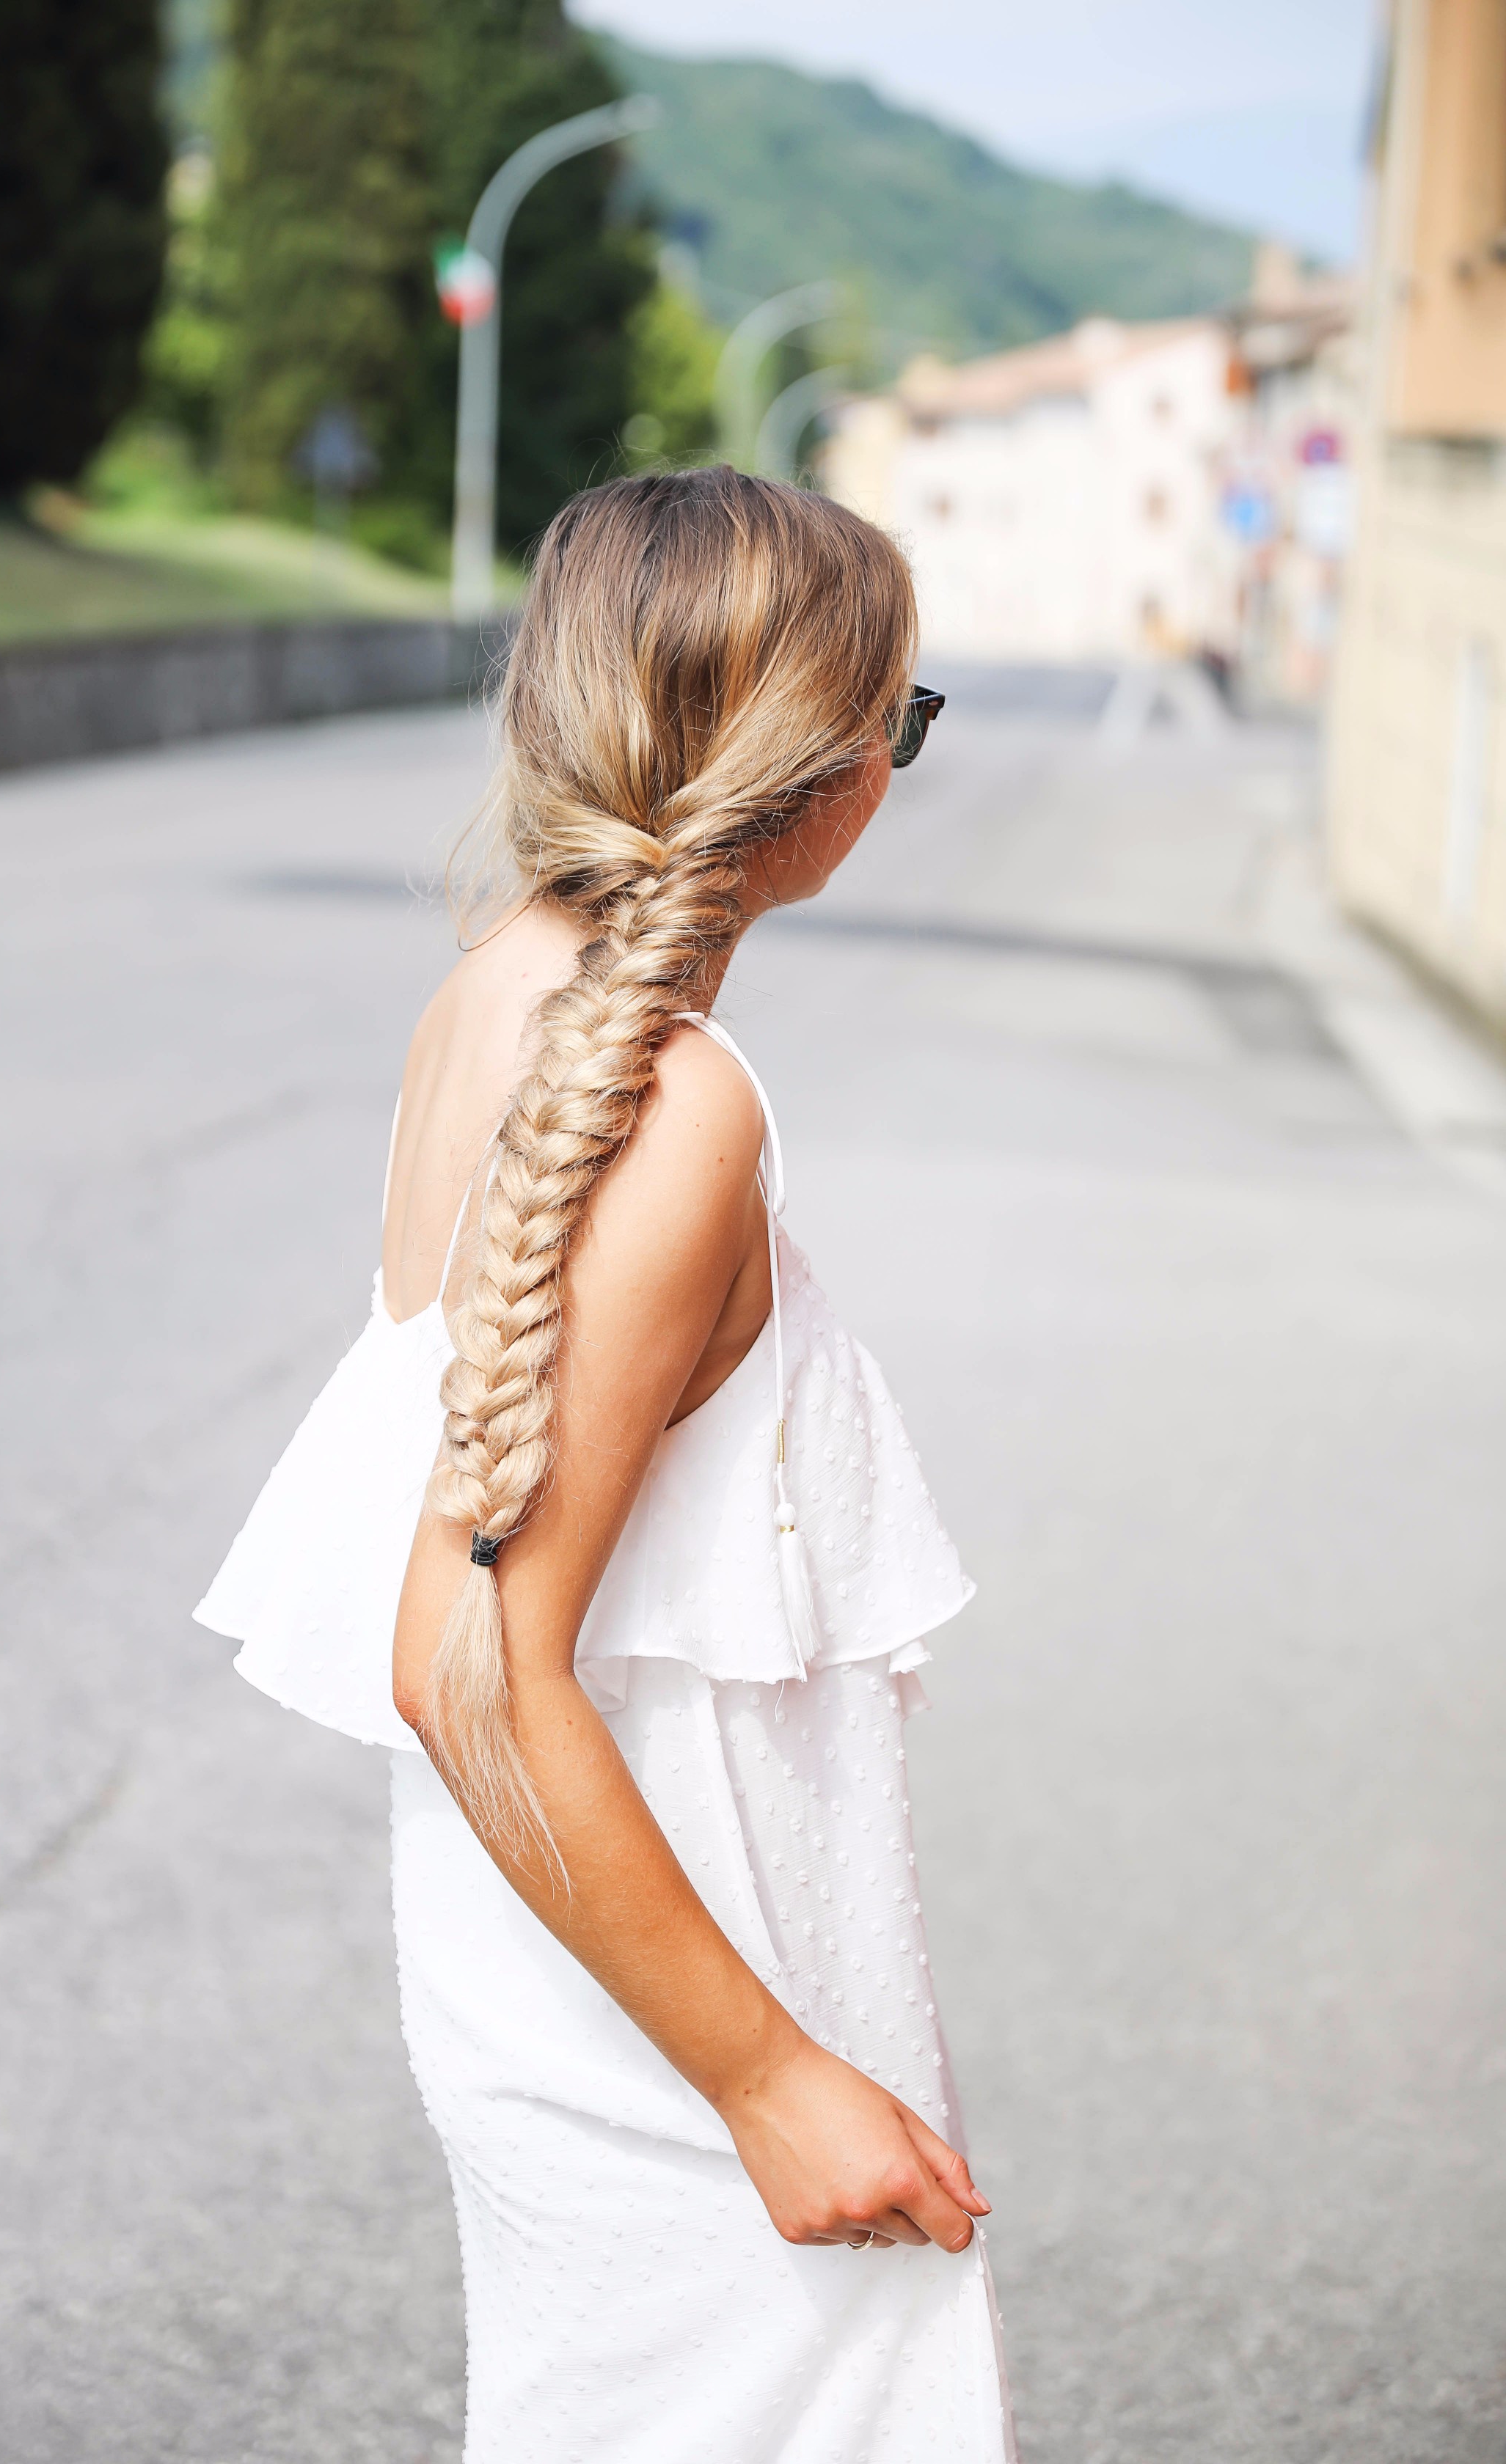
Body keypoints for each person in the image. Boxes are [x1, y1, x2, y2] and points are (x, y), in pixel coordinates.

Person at [197, 466, 1015, 2460]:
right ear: (824, 772)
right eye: (899, 722)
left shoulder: (492, 1006)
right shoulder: (669, 1105)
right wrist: (769, 2080)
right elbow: (467, 1653)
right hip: (680, 2014)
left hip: (569, 1979)